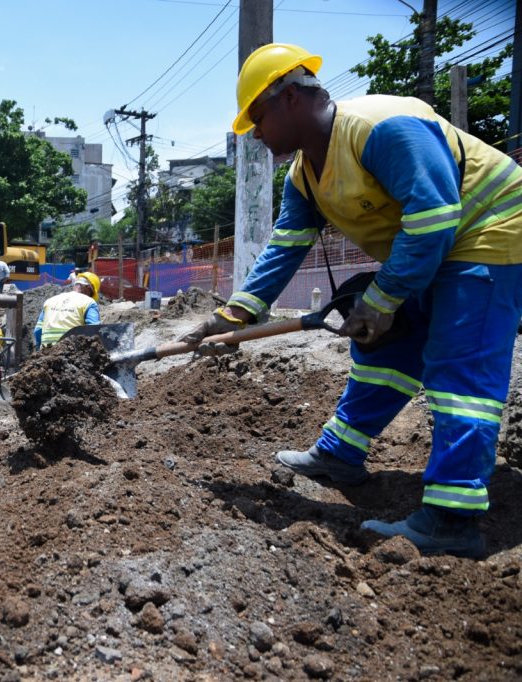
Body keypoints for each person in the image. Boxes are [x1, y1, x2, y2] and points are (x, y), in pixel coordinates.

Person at [182, 43, 522, 558]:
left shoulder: (384, 127)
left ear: (290, 97)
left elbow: (433, 220)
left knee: (460, 373)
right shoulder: (304, 175)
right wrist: (235, 314)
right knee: (386, 347)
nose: (254, 132)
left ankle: (453, 521)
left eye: (257, 116)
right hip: (435, 251)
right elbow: (286, 246)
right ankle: (341, 455)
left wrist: (384, 297)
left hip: (491, 233)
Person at [35, 271, 101, 347]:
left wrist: (38, 350)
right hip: (72, 353)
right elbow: (94, 330)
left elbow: (38, 330)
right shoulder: (89, 302)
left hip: (46, 352)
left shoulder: (49, 301)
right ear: (89, 288)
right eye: (92, 295)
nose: (91, 297)